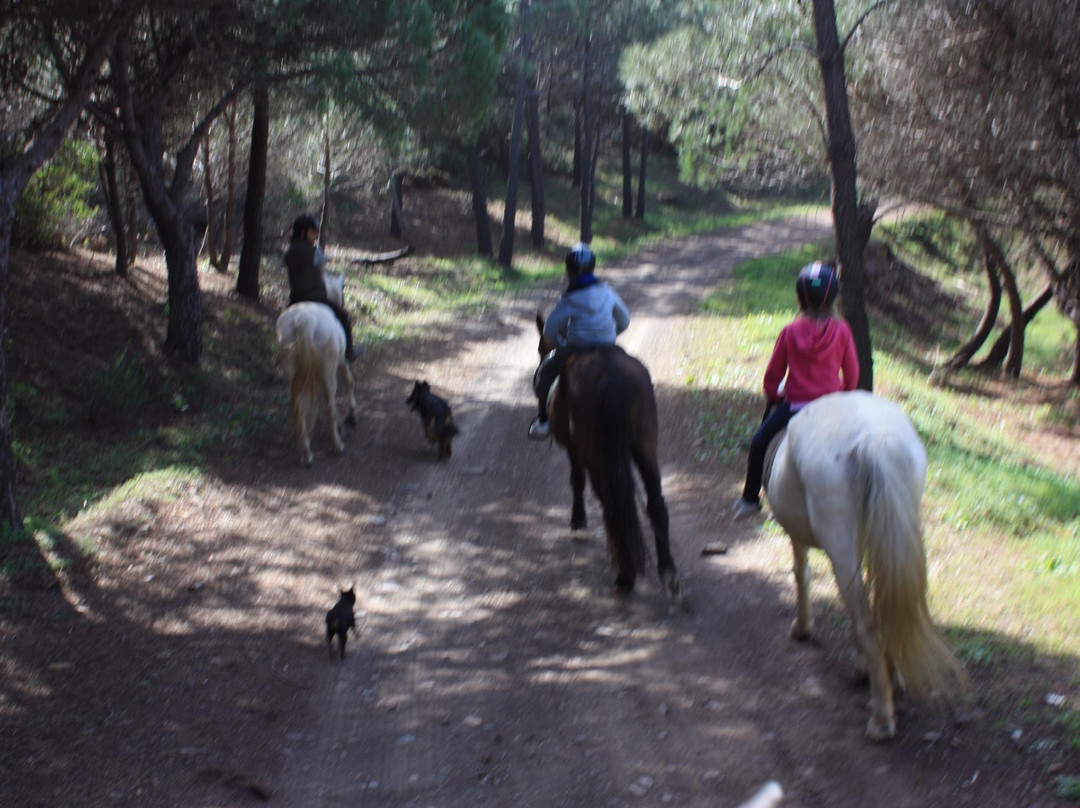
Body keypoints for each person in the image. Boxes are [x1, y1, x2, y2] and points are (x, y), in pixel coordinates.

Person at [732, 260, 859, 518]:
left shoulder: (790, 331)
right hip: (831, 407)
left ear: (800, 297)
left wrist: (774, 396)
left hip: (795, 408)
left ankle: (750, 499)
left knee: (758, 442)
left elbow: (773, 375)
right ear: (833, 297)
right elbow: (853, 373)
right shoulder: (843, 330)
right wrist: (843, 395)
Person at [528, 243, 630, 440]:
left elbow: (549, 331)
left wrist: (559, 344)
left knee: (545, 373)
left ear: (568, 271)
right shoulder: (607, 291)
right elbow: (625, 321)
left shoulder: (568, 298)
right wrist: (609, 335)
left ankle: (544, 421)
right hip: (608, 345)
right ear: (592, 268)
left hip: (577, 347)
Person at [283, 214, 357, 361]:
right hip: (316, 298)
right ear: (303, 232)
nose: (316, 235)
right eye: (313, 232)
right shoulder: (314, 250)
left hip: (295, 300)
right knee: (344, 317)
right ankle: (348, 353)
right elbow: (322, 263)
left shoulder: (289, 251)